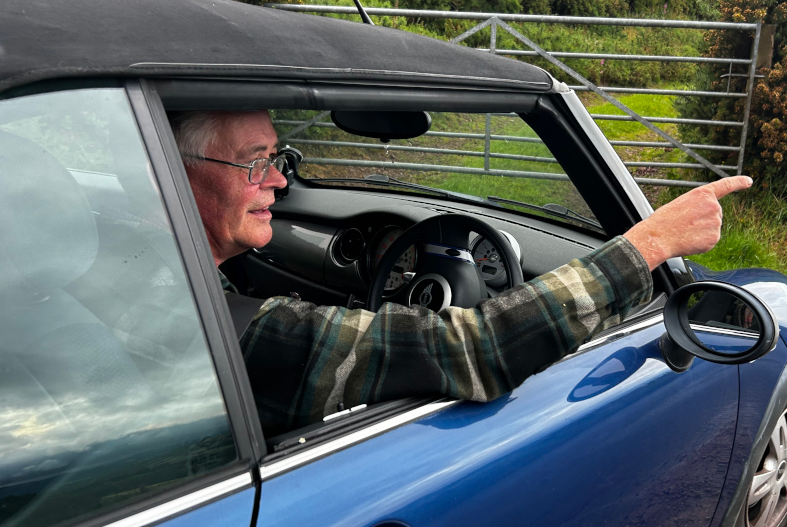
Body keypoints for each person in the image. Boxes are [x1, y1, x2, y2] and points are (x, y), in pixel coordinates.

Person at [171, 110, 752, 437]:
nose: (277, 181)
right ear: (174, 173)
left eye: (278, 159)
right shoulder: (247, 335)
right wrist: (652, 242)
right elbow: (471, 350)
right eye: (254, 163)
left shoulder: (162, 283)